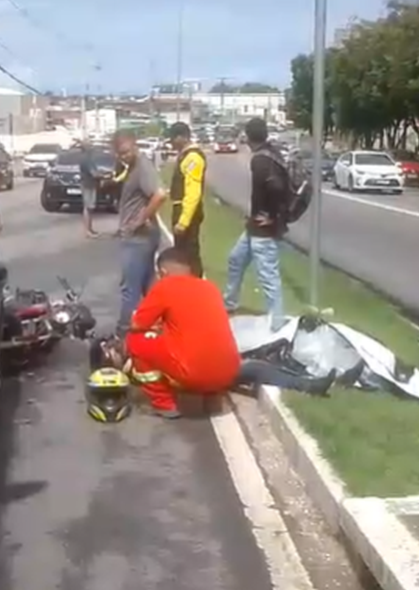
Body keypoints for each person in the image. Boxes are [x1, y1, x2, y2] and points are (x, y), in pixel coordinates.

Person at [116, 247, 336, 419]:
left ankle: (164, 405)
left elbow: (137, 324)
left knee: (136, 340)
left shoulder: (165, 287)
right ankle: (308, 385)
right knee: (254, 368)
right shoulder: (209, 288)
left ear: (162, 272)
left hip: (192, 374)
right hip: (226, 371)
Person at [224, 118, 289, 330]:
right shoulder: (273, 153)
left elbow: (278, 189)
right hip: (254, 227)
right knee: (235, 259)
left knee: (268, 276)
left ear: (247, 136)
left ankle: (276, 322)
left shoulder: (260, 161)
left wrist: (272, 216)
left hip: (264, 230)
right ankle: (229, 302)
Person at [112, 128, 166, 334]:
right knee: (148, 287)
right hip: (140, 237)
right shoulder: (133, 167)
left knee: (129, 288)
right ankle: (161, 324)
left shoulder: (143, 166)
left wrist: (140, 219)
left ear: (135, 145)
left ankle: (125, 331)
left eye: (127, 151)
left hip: (138, 238)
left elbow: (160, 195)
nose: (124, 156)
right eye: (120, 153)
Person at [167, 122, 208, 276]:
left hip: (187, 211)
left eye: (173, 139)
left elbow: (193, 192)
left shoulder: (193, 158)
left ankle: (196, 288)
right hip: (182, 207)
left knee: (189, 255)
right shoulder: (185, 155)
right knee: (182, 254)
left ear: (182, 137)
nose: (171, 143)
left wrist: (183, 222)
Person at [78, 140, 100, 237]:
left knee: (90, 208)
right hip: (88, 185)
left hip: (89, 184)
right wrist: (103, 176)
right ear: (86, 148)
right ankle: (87, 231)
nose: (92, 148)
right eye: (90, 146)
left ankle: (90, 229)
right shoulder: (86, 159)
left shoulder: (87, 158)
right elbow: (93, 173)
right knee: (87, 207)